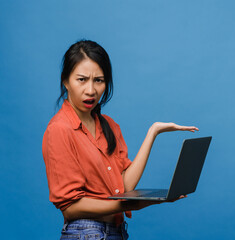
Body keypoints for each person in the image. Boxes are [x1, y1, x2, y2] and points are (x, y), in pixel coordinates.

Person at [42, 40, 198, 240]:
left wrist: (153, 132)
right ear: (65, 80)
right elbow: (70, 208)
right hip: (85, 234)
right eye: (81, 79)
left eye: (99, 80)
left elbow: (124, 188)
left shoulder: (109, 126)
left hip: (117, 232)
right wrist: (130, 204)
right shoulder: (59, 129)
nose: (91, 90)